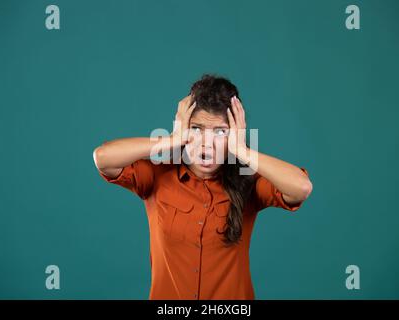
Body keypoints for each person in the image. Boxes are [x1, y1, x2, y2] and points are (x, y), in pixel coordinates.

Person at [93, 74, 313, 299]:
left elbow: (301, 187)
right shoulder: (159, 174)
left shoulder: (248, 179)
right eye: (197, 128)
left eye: (220, 131)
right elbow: (103, 158)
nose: (207, 143)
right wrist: (170, 140)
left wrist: (242, 151)